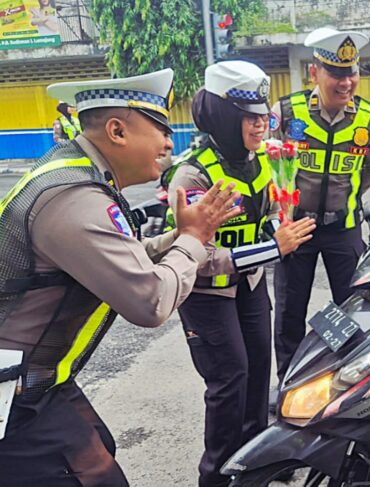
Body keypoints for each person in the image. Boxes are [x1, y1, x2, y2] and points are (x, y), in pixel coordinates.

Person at [0, 69, 243, 486]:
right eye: (160, 129)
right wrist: (194, 241)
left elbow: (115, 259)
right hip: (14, 394)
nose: (169, 143)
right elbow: (150, 302)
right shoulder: (74, 198)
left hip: (39, 381)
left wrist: (177, 238)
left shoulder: (73, 176)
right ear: (116, 130)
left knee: (99, 448)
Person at [162, 60, 315, 487]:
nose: (260, 125)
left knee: (256, 376)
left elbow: (264, 220)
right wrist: (274, 246)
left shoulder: (260, 162)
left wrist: (279, 225)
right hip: (209, 294)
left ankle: (252, 466)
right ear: (225, 117)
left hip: (249, 286)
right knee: (229, 383)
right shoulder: (194, 173)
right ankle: (215, 476)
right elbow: (196, 254)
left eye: (263, 115)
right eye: (249, 117)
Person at [270, 27, 370, 384]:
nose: (346, 81)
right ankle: (289, 382)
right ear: (315, 73)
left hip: (344, 228)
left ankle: (348, 380)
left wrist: (342, 201)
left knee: (354, 308)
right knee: (290, 312)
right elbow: (268, 167)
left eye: (351, 72)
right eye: (336, 73)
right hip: (296, 230)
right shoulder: (287, 113)